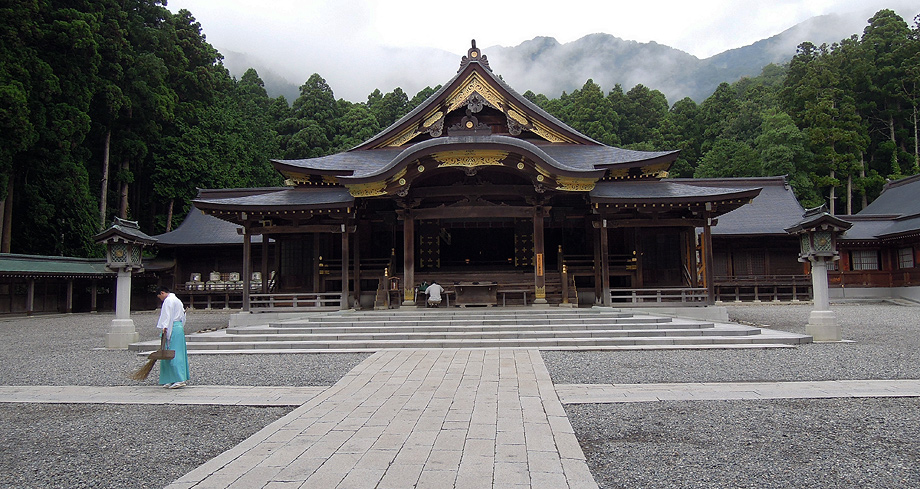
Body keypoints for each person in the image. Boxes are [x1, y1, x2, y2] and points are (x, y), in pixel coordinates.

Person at [155, 286, 189, 389]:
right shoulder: (177, 300)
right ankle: (172, 378)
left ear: (162, 293)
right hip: (178, 327)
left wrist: (165, 328)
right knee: (176, 352)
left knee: (173, 353)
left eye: (159, 296)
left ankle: (179, 379)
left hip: (172, 326)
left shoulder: (168, 301)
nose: (160, 299)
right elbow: (183, 316)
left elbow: (167, 316)